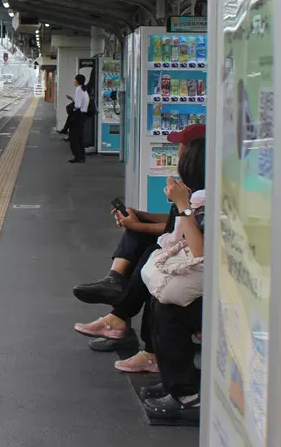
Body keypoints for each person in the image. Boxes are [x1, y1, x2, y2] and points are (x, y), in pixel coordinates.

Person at [71, 126, 206, 374]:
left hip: (191, 265)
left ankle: (120, 313)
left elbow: (185, 237)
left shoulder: (200, 197)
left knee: (148, 257)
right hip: (182, 249)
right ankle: (115, 285)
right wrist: (141, 216)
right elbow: (173, 224)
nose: (177, 152)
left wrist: (150, 221)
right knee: (141, 239)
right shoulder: (190, 190)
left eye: (182, 147)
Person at [140, 150, 207, 423]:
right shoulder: (201, 198)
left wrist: (183, 205)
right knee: (160, 302)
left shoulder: (206, 202)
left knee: (170, 311)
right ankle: (175, 382)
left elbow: (199, 249)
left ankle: (186, 394)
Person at [68, 74, 90, 163]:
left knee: (73, 138)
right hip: (82, 115)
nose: (73, 81)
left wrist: (72, 107)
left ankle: (77, 157)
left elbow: (77, 105)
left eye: (74, 79)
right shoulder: (84, 89)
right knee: (80, 138)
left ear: (77, 81)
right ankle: (82, 157)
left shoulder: (78, 89)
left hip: (78, 116)